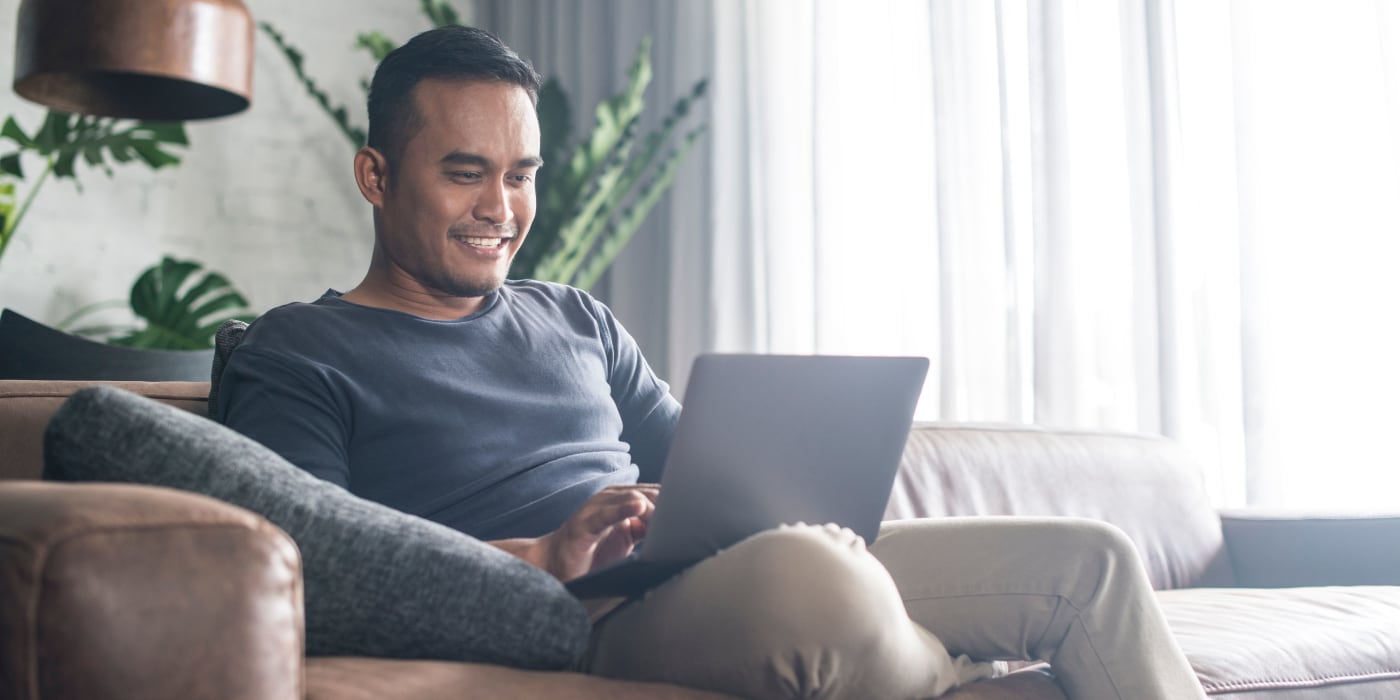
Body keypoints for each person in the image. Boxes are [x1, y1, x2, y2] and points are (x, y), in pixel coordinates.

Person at [217, 25, 1207, 700]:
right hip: (580, 616)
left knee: (1089, 558)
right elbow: (315, 570)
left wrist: (792, 498)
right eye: (464, 171)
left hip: (725, 573)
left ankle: (911, 644)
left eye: (520, 175)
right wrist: (541, 557)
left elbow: (711, 472)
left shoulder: (575, 320)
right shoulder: (300, 352)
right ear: (376, 175)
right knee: (818, 583)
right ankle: (950, 665)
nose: (500, 209)